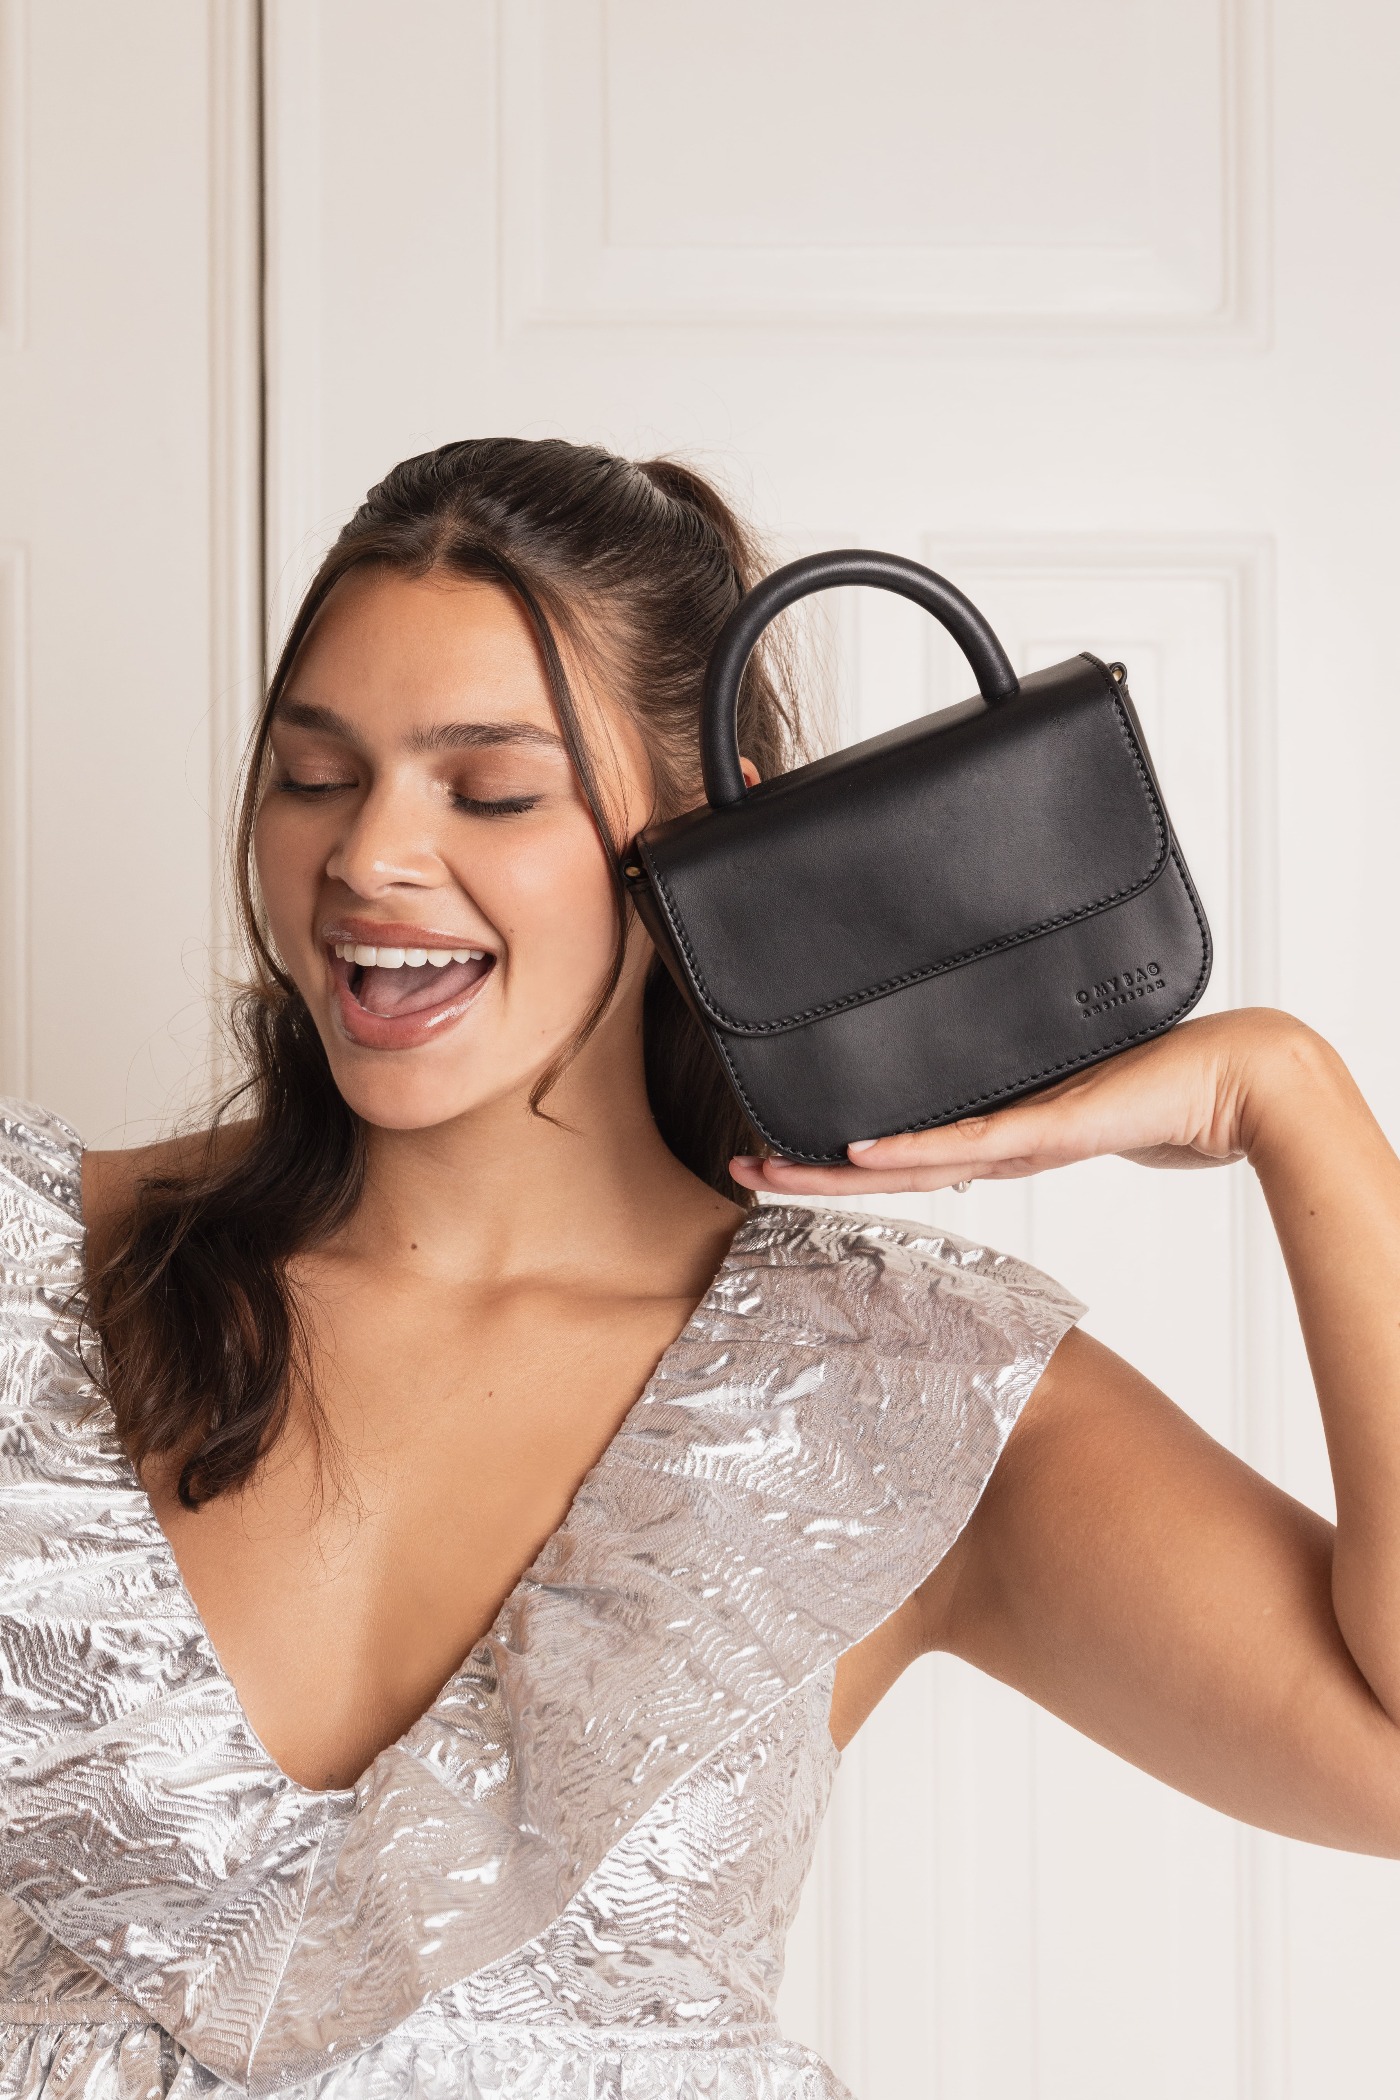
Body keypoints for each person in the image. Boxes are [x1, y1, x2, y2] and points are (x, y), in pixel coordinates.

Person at [1, 438, 1397, 2100]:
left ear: (700, 829)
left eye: (490, 792)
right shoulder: (32, 1272)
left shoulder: (897, 1391)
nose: (368, 855)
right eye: (316, 776)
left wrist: (1292, 1101)